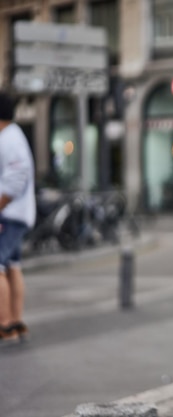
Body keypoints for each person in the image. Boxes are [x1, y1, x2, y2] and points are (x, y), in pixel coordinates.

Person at [0, 91, 36, 345]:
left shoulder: (8, 139)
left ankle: (3, 324)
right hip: (18, 213)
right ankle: (15, 321)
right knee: (13, 267)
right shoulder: (14, 136)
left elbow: (13, 182)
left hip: (9, 214)